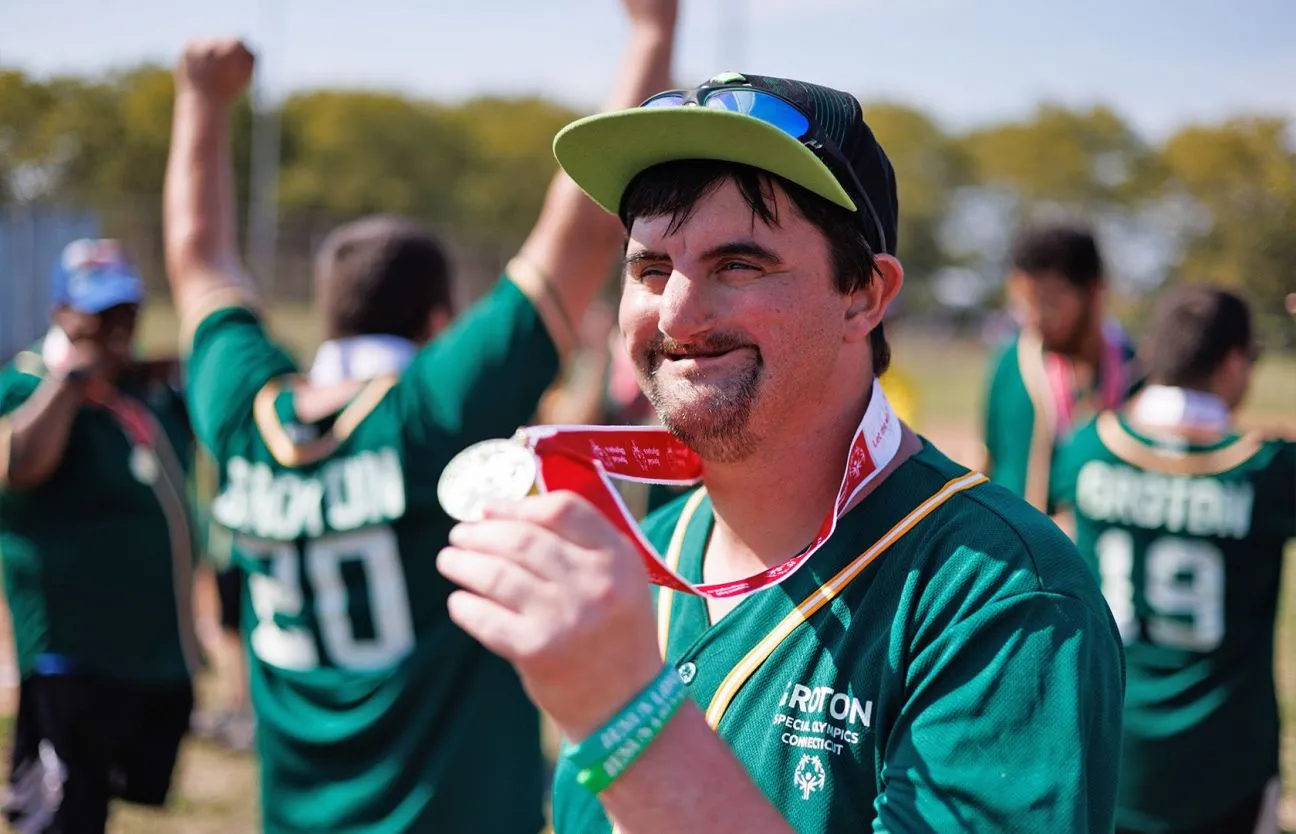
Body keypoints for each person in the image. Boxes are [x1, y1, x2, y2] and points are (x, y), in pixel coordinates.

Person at [435, 72, 1125, 832]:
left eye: (739, 265)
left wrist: (630, 719)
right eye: (650, 268)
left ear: (863, 296)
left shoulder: (1000, 599)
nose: (678, 313)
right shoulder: (638, 563)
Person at [160, 2, 678, 830]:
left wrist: (201, 98)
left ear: (333, 314)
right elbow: (577, 232)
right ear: (440, 323)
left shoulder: (246, 413)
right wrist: (653, 32)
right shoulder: (434, 408)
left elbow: (197, 256)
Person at [1052, 286, 1294, 834]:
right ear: (1233, 361)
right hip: (1226, 761)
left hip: (1111, 747)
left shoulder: (1091, 447)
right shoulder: (1266, 470)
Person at [0, 239, 199, 833]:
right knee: (62, 815)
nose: (115, 329)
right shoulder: (32, 383)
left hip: (145, 648)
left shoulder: (142, 388)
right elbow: (18, 465)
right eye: (98, 316)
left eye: (125, 314)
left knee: (105, 800)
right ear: (63, 311)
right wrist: (70, 384)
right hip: (70, 649)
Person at [982, 222, 1140, 510]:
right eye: (1023, 303)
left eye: (1048, 302)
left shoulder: (1138, 371)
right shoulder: (1011, 364)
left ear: (1094, 292)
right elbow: (986, 456)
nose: (1034, 317)